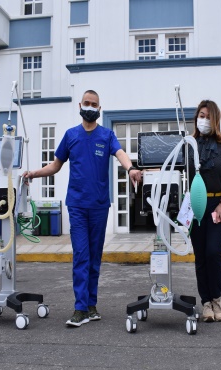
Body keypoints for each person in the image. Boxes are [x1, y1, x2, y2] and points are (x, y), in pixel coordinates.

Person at [23, 90, 142, 327]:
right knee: (81, 256)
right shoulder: (71, 136)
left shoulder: (107, 135)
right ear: (80, 105)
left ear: (100, 109)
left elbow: (121, 154)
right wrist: (34, 173)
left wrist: (131, 169)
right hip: (77, 205)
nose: (90, 107)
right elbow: (56, 165)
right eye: (86, 103)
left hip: (99, 206)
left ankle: (91, 306)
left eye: (94, 104)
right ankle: (79, 307)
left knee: (94, 258)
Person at [188, 100, 221, 322]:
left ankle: (216, 298)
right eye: (201, 115)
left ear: (215, 119)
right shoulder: (189, 145)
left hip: (217, 205)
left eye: (208, 116)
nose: (204, 120)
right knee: (200, 255)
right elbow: (175, 168)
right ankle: (206, 303)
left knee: (212, 252)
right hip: (195, 205)